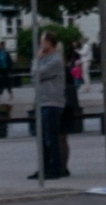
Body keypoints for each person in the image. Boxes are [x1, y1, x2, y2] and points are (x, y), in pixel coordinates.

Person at [30, 31, 69, 178]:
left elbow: (37, 74)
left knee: (50, 138)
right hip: (42, 102)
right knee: (42, 138)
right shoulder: (45, 59)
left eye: (42, 41)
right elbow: (34, 75)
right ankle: (44, 167)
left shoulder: (55, 60)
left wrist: (37, 60)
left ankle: (55, 168)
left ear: (49, 43)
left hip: (52, 103)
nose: (40, 44)